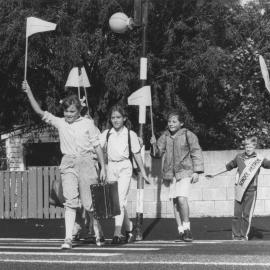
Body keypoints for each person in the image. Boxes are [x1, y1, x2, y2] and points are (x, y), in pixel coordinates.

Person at [22, 81, 106, 249]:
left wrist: (103, 167)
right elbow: (39, 112)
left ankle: (99, 232)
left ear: (79, 110)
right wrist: (29, 91)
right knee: (70, 200)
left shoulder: (88, 124)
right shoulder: (60, 122)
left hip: (87, 162)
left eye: (72, 111)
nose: (68, 114)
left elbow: (97, 146)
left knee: (89, 203)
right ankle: (68, 238)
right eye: (66, 111)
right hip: (68, 162)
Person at [150, 110, 204, 242]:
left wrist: (197, 171)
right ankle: (180, 230)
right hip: (170, 174)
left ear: (181, 123)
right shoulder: (165, 136)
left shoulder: (188, 135)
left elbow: (196, 152)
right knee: (174, 202)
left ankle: (187, 229)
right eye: (169, 121)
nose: (171, 124)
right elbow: (157, 154)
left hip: (185, 171)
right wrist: (153, 144)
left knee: (181, 199)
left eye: (174, 121)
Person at [99, 105, 149, 244]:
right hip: (111, 167)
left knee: (120, 201)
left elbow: (137, 154)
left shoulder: (130, 134)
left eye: (118, 117)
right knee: (116, 202)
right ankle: (129, 228)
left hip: (125, 167)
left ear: (124, 118)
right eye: (113, 117)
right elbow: (96, 146)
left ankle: (117, 233)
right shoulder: (107, 133)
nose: (115, 120)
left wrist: (143, 172)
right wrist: (103, 167)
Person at [207, 136, 270, 240]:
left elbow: (268, 164)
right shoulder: (239, 157)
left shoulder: (259, 159)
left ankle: (243, 236)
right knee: (237, 214)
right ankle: (235, 236)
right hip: (239, 189)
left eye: (250, 147)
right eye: (246, 146)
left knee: (246, 215)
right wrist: (213, 174)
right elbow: (228, 167)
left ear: (254, 147)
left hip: (251, 191)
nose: (248, 149)